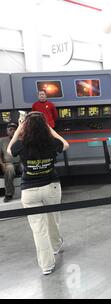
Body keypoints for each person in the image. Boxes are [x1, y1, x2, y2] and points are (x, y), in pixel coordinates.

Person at [7, 112, 69, 275]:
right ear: (45, 126)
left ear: (26, 126)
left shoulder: (22, 143)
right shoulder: (51, 141)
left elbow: (9, 150)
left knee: (38, 228)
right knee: (53, 219)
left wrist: (20, 127)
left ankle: (47, 265)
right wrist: (49, 128)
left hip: (30, 190)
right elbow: (66, 144)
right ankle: (55, 246)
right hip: (51, 187)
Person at [0, 122, 22, 202]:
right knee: (9, 168)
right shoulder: (2, 140)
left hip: (20, 163)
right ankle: (9, 194)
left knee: (26, 167)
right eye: (10, 129)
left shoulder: (21, 139)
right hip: (8, 164)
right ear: (7, 131)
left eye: (14, 130)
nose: (12, 131)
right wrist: (2, 164)